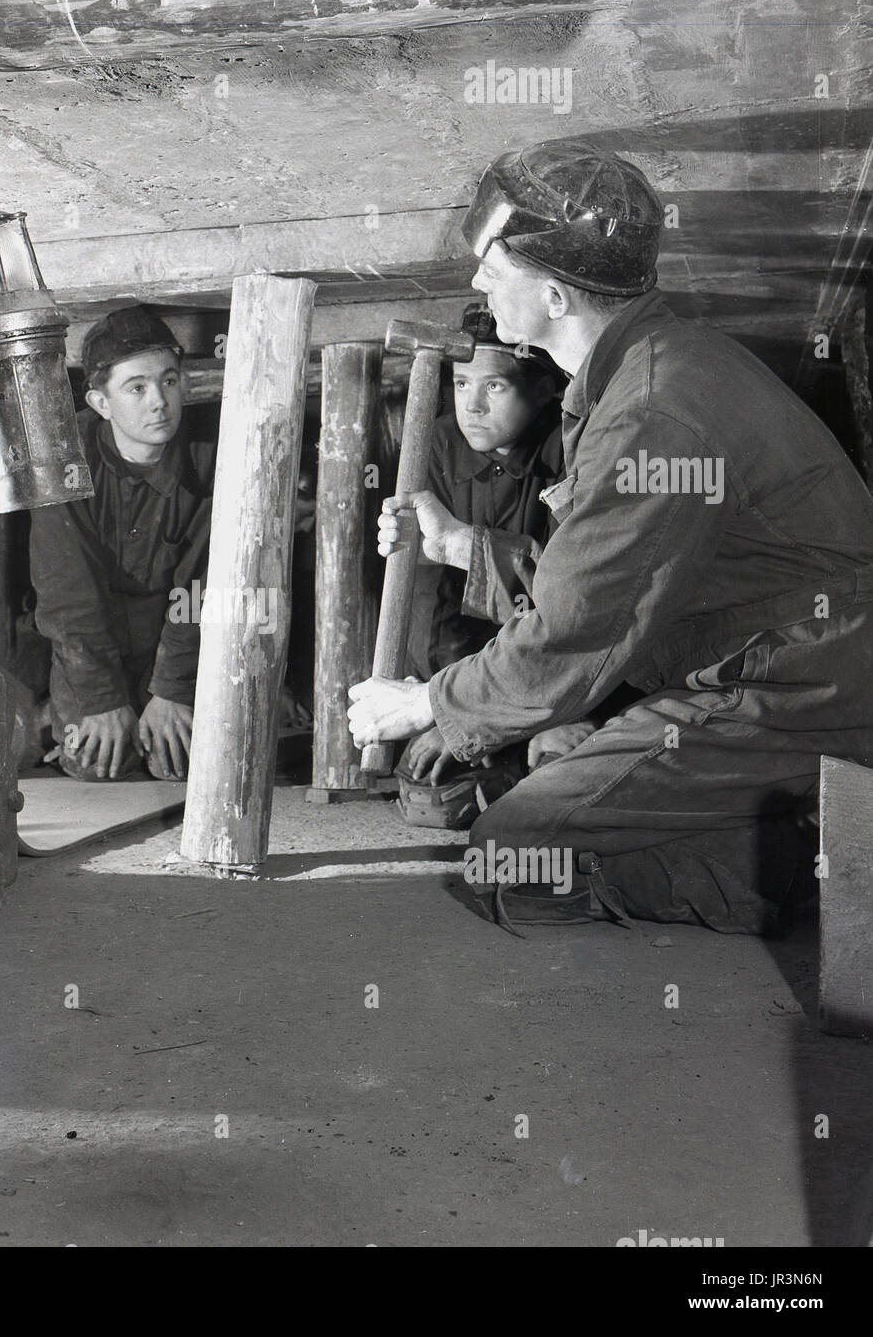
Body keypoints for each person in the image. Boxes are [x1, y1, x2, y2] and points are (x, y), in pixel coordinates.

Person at [349, 138, 873, 934]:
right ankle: (793, 818)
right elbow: (600, 583)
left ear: (558, 297)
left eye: (496, 262)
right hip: (766, 664)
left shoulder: (651, 413)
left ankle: (823, 866)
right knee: (518, 782)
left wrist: (423, 702)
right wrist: (458, 545)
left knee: (512, 854)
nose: (477, 278)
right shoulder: (646, 371)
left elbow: (579, 625)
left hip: (801, 685)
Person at [396, 300, 571, 828]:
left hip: (563, 669)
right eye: (460, 384)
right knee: (436, 800)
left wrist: (552, 718)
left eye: (493, 387)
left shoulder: (575, 449)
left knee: (564, 778)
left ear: (544, 391)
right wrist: (448, 711)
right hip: (471, 667)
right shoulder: (435, 447)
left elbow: (577, 608)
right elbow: (435, 607)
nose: (471, 406)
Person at [30, 307, 215, 782]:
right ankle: (60, 707)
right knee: (93, 766)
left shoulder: (212, 455)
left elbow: (203, 586)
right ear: (101, 401)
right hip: (97, 631)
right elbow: (68, 595)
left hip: (175, 634)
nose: (159, 401)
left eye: (169, 381)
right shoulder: (63, 461)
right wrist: (102, 700)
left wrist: (172, 689)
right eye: (137, 387)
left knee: (182, 767)